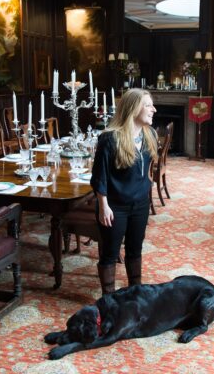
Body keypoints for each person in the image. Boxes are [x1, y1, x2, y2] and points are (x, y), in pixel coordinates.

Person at [90, 88, 158, 295]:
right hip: (114, 207)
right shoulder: (110, 139)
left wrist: (148, 182)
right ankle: (108, 298)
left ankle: (135, 294)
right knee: (110, 253)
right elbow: (99, 177)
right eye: (148, 105)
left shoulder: (150, 135)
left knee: (134, 250)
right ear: (133, 108)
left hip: (140, 205)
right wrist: (104, 207)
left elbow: (148, 167)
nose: (153, 109)